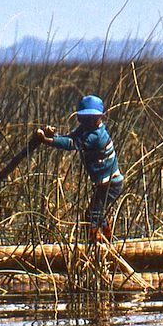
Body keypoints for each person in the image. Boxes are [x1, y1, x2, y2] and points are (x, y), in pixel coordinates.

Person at [35, 94, 124, 242]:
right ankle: (107, 239)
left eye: (90, 118)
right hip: (103, 184)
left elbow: (72, 144)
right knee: (95, 214)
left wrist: (46, 140)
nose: (86, 121)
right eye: (83, 118)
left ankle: (95, 243)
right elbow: (70, 137)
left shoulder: (96, 136)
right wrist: (53, 135)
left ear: (99, 117)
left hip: (111, 184)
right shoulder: (85, 129)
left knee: (93, 215)